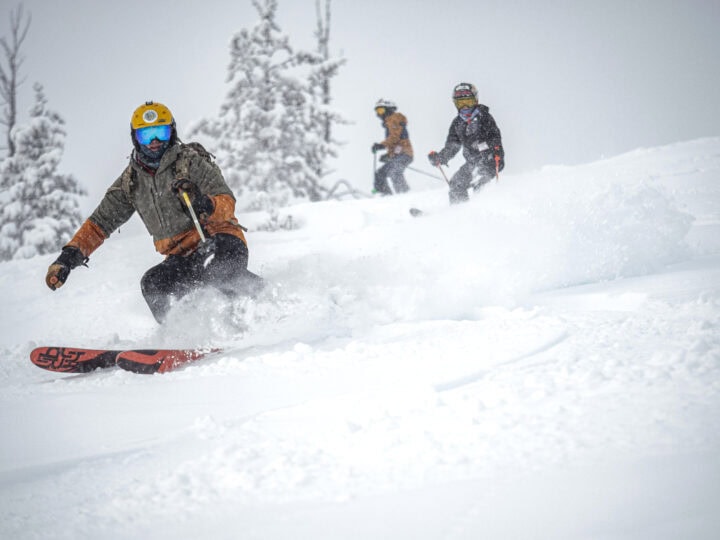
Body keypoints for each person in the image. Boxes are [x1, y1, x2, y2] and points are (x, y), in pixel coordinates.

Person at [45, 101, 262, 323]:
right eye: (146, 136)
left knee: (216, 267)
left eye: (161, 132)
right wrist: (67, 258)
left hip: (220, 240)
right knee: (154, 283)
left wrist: (206, 204)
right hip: (182, 257)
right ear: (135, 138)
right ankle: (184, 337)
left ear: (172, 132)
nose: (155, 142)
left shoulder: (190, 163)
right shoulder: (131, 182)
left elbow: (227, 201)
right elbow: (99, 223)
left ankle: (259, 306)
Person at [428, 83, 505, 204]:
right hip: (472, 162)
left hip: (490, 160)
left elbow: (495, 139)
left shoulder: (484, 117)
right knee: (456, 184)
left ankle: (485, 213)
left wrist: (482, 146)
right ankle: (460, 213)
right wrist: (440, 157)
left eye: (468, 102)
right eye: (460, 103)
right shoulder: (457, 123)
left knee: (480, 184)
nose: (464, 107)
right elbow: (452, 146)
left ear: (476, 100)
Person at [371, 99, 413, 195]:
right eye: (377, 111)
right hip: (400, 154)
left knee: (394, 172)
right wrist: (389, 155)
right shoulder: (390, 122)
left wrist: (381, 145)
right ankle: (387, 195)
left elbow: (394, 137)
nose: (379, 114)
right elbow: (396, 143)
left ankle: (404, 195)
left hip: (404, 154)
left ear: (388, 109)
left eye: (381, 110)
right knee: (380, 173)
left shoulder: (394, 119)